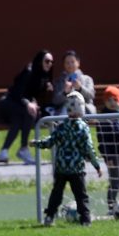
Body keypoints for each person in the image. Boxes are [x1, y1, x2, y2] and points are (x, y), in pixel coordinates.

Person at [33, 91, 102, 226]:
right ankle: (85, 220)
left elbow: (50, 141)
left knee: (56, 194)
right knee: (81, 195)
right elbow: (88, 148)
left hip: (61, 167)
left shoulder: (62, 125)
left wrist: (37, 143)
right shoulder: (83, 128)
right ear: (81, 108)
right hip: (77, 168)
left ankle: (49, 217)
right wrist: (97, 165)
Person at [0, 50, 54, 165]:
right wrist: (28, 103)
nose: (50, 64)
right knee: (29, 112)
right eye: (47, 61)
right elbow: (18, 93)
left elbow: (34, 96)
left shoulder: (43, 76)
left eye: (52, 62)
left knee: (19, 120)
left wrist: (46, 91)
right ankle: (23, 149)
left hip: (19, 110)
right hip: (8, 103)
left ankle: (4, 151)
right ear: (39, 61)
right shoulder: (29, 72)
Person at [95, 85, 119, 215]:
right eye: (109, 100)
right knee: (115, 181)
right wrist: (107, 157)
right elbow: (101, 139)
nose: (112, 103)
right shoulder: (103, 117)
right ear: (105, 102)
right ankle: (111, 206)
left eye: (114, 100)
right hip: (112, 154)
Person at [51, 50, 96, 116]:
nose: (70, 65)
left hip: (84, 110)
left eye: (72, 62)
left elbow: (91, 95)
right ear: (64, 65)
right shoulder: (59, 81)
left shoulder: (87, 79)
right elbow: (55, 101)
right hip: (65, 111)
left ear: (78, 63)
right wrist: (65, 92)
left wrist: (80, 88)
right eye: (67, 63)